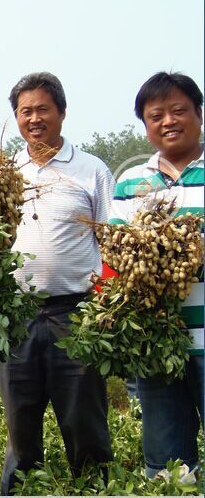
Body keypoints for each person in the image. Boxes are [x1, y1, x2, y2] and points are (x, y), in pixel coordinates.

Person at [0, 72, 114, 494]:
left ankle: (95, 489)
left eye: (43, 109)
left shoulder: (91, 170)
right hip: (18, 318)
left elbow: (112, 242)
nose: (34, 119)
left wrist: (105, 310)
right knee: (19, 428)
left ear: (62, 112)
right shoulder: (5, 172)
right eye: (25, 111)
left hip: (76, 314)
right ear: (16, 118)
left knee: (85, 425)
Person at [111, 72, 203, 479]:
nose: (168, 121)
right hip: (156, 341)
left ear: (199, 114)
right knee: (168, 465)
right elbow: (116, 251)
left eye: (179, 110)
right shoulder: (131, 181)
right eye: (156, 115)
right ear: (145, 125)